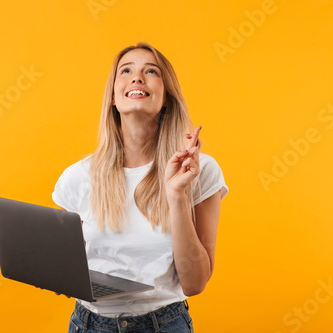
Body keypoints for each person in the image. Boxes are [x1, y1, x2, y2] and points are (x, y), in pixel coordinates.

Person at [51, 42, 228, 332]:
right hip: (89, 324)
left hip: (164, 324)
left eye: (151, 71)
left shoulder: (199, 170)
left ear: (166, 96)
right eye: (126, 71)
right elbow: (68, 265)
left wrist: (176, 195)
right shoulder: (78, 176)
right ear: (112, 97)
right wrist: (59, 275)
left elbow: (195, 283)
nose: (137, 77)